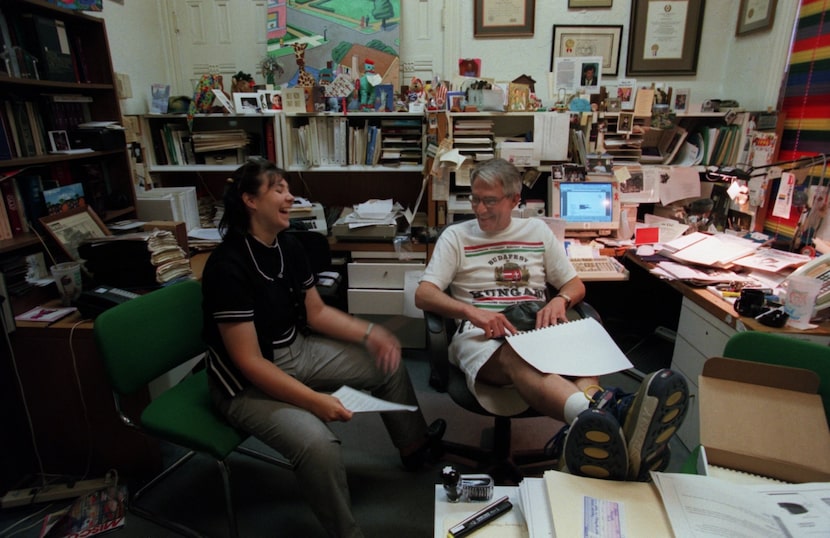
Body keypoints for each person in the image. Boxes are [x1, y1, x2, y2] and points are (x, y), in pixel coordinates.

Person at [202, 158, 445, 537]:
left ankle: (414, 447)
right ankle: (345, 533)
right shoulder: (227, 266)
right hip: (244, 384)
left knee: (387, 363)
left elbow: (316, 314)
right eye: (279, 189)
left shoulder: (288, 245)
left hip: (295, 351)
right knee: (318, 444)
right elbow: (249, 362)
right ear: (250, 200)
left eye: (287, 187)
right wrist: (314, 402)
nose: (290, 195)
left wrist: (371, 333)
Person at [414, 159, 689, 482]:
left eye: (490, 201)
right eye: (475, 198)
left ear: (515, 201)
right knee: (518, 356)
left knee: (583, 339)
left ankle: (599, 429)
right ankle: (604, 418)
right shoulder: (456, 237)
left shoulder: (537, 231)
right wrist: (472, 312)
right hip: (483, 336)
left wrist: (560, 300)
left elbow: (575, 286)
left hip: (535, 328)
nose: (480, 209)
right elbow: (425, 294)